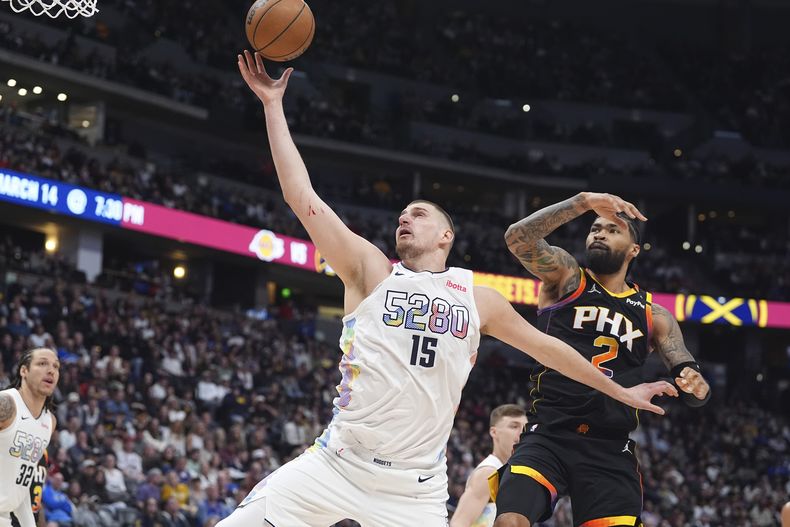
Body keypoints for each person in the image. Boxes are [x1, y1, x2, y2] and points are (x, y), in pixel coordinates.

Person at [223, 51, 676, 527]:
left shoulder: (476, 298)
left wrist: (621, 393)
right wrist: (273, 105)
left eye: (419, 214)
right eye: (402, 214)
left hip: (414, 491)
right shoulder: (370, 271)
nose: (405, 217)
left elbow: (552, 350)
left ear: (446, 237)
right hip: (335, 465)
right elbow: (301, 196)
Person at [493, 193, 712, 527]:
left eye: (612, 230)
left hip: (609, 446)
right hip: (550, 432)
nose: (599, 233)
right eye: (595, 227)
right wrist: (581, 202)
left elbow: (684, 366)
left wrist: (695, 385)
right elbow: (517, 238)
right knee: (510, 520)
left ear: (633, 250)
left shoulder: (655, 314)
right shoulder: (566, 277)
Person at [0, 348, 60, 527]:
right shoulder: (6, 405)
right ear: (23, 371)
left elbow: (21, 484)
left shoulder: (49, 422)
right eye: (42, 363)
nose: (51, 370)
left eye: (56, 367)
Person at [451, 405, 527, 527]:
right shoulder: (489, 472)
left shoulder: (515, 476)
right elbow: (459, 522)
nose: (521, 433)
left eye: (525, 428)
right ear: (494, 432)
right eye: (514, 426)